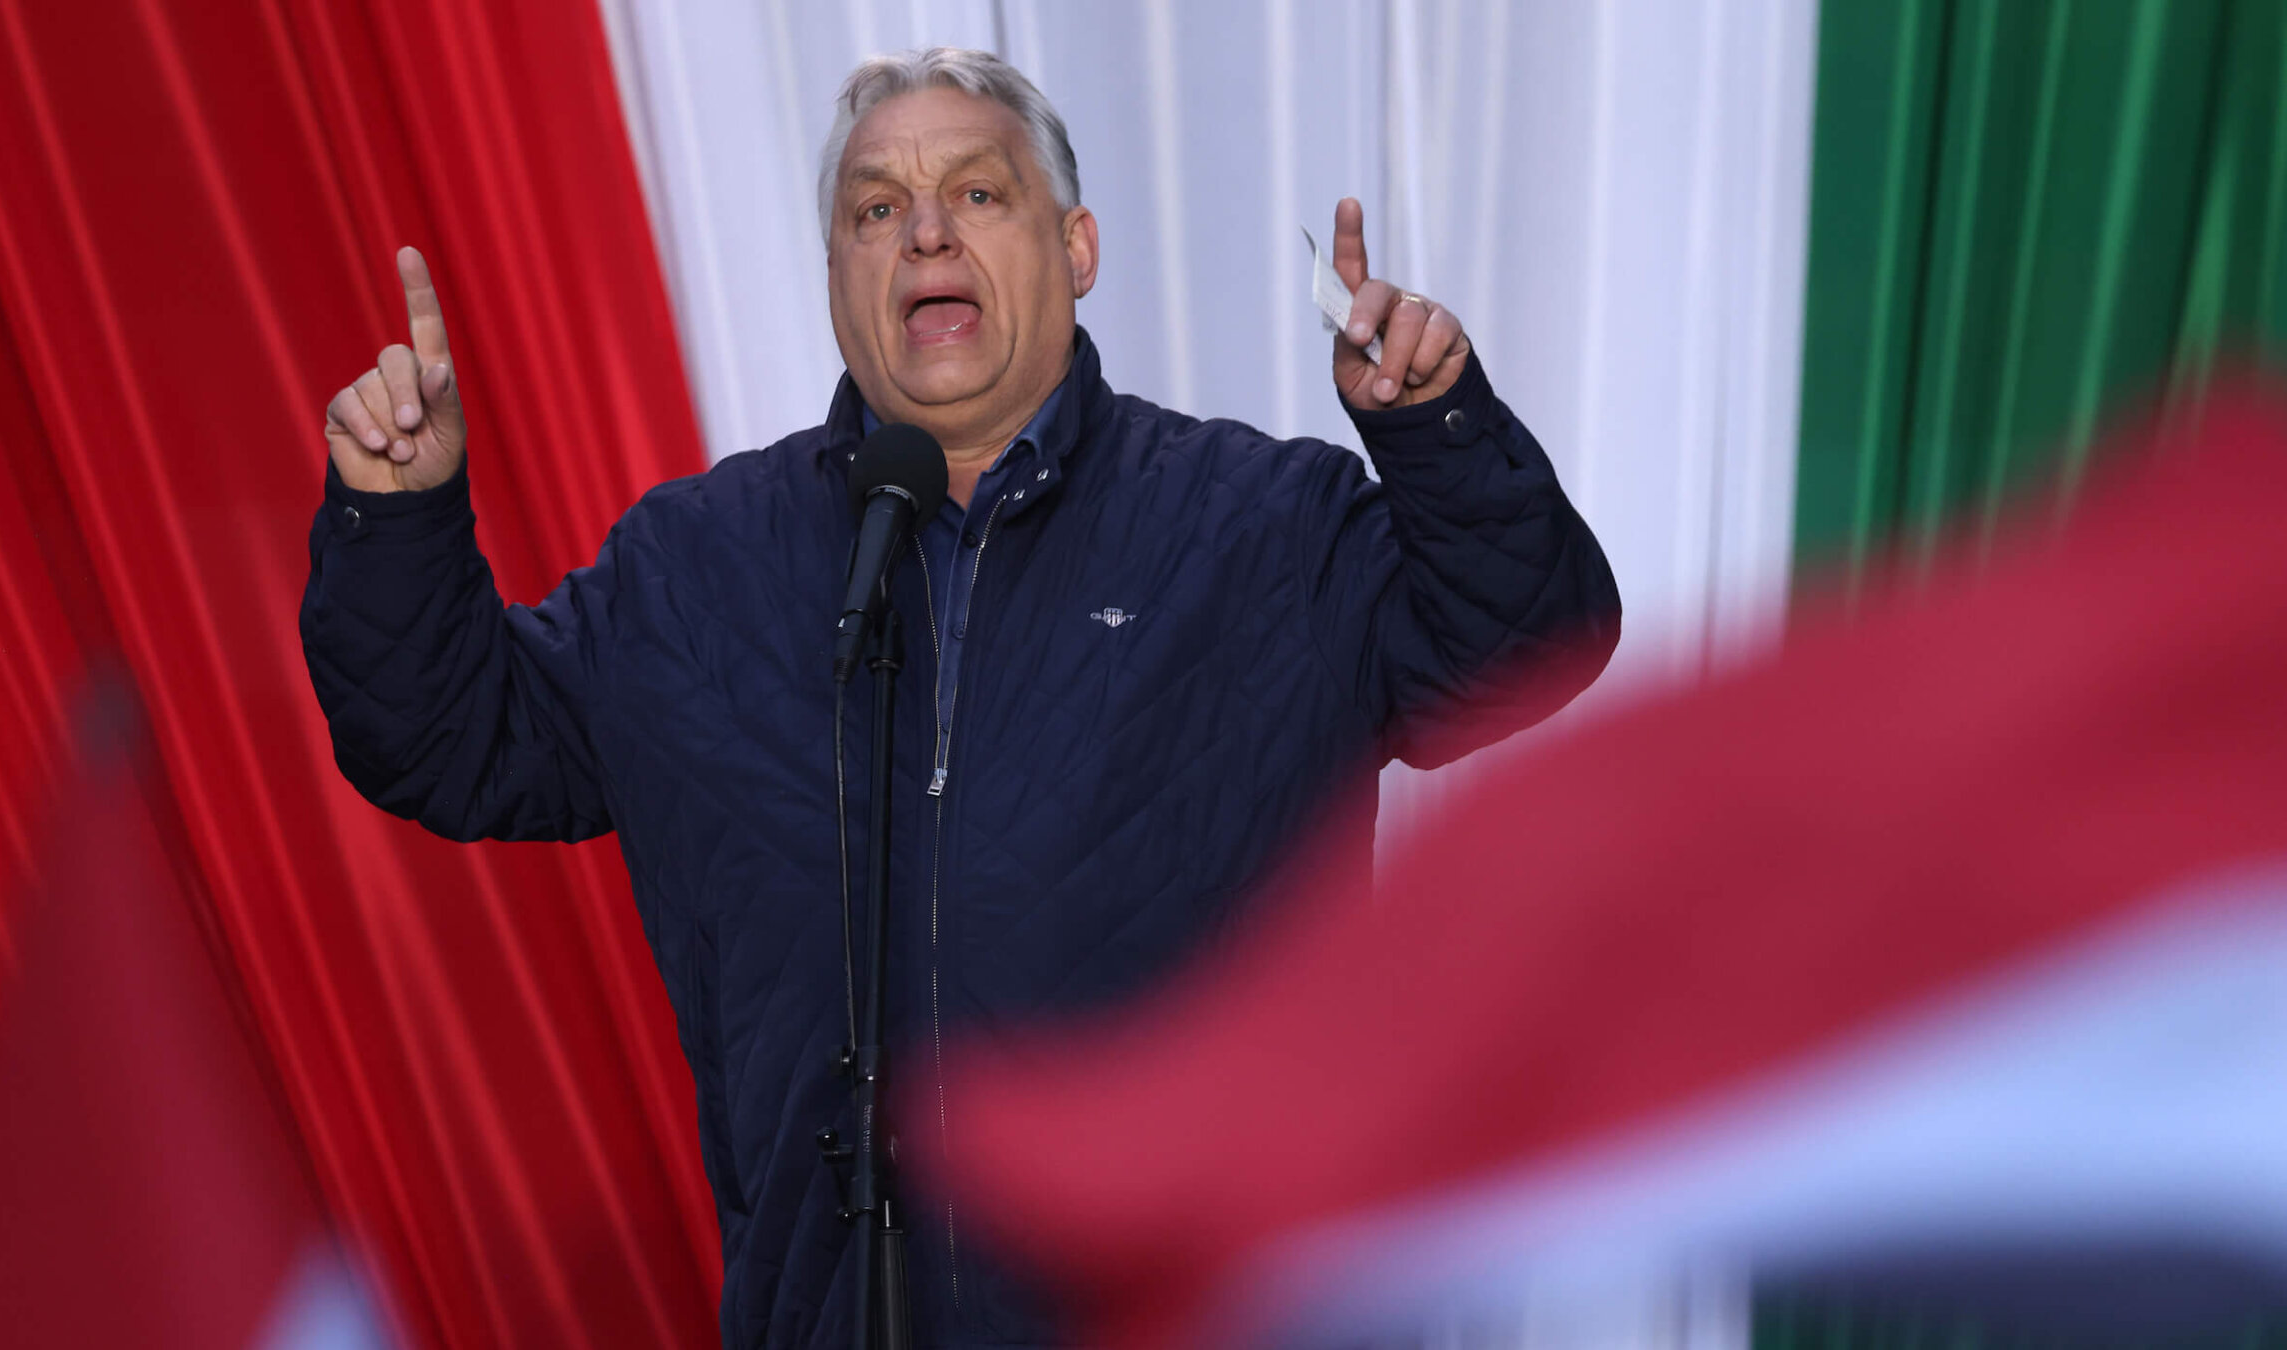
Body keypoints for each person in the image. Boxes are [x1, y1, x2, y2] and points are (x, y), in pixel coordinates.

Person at [303, 47, 1620, 1350]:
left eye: (978, 194)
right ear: (836, 278)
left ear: (1079, 246)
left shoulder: (1259, 525)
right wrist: (399, 518)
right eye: (875, 209)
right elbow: (451, 736)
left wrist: (1440, 428)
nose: (924, 228)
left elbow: (1525, 643)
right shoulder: (697, 566)